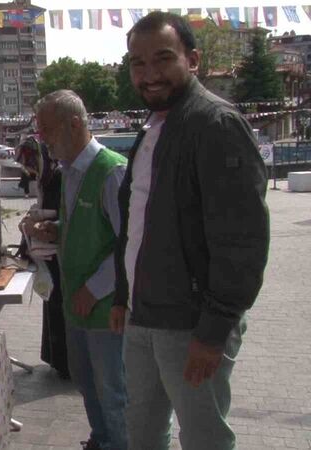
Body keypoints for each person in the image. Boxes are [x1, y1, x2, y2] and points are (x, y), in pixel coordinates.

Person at [110, 12, 269, 450]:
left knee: (203, 438)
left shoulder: (215, 124)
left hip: (192, 326)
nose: (149, 74)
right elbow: (137, 223)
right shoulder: (154, 128)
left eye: (162, 59)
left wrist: (213, 330)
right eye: (137, 63)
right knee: (142, 433)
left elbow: (243, 241)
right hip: (143, 319)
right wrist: (124, 296)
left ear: (193, 60)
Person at [28, 90, 128, 450]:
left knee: (114, 392)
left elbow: (129, 244)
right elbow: (89, 226)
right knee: (86, 383)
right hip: (76, 303)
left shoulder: (111, 170)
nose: (43, 140)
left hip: (104, 307)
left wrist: (96, 288)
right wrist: (55, 231)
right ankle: (102, 440)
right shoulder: (69, 171)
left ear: (74, 124)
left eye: (47, 131)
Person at [19, 147, 69, 379]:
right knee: (52, 303)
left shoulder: (57, 177)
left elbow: (62, 214)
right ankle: (55, 358)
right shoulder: (45, 178)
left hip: (57, 251)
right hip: (47, 253)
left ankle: (65, 361)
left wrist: (39, 222)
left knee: (58, 303)